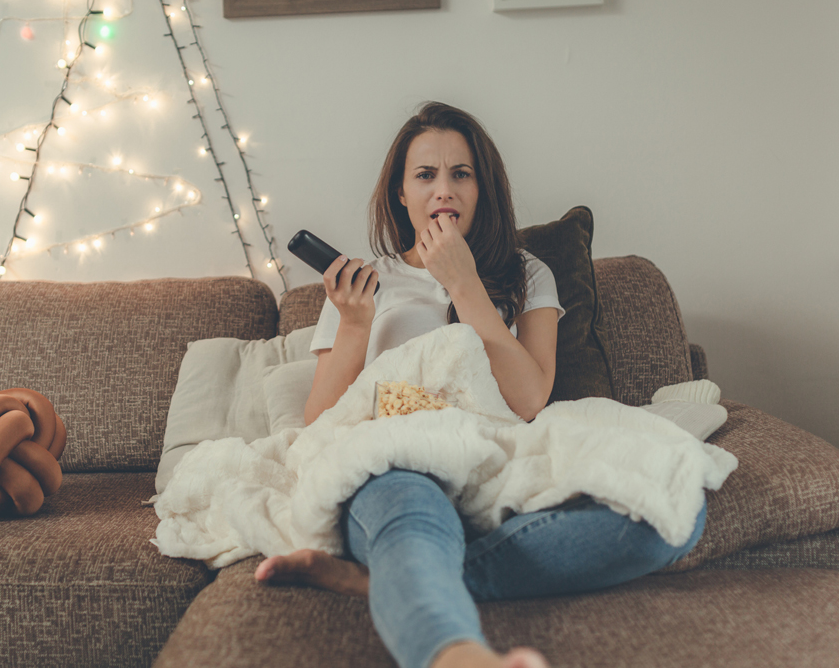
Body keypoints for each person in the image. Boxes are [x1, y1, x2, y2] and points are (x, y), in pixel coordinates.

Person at [254, 103, 707, 668]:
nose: (443, 190)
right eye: (425, 175)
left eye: (460, 174)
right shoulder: (366, 282)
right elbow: (321, 425)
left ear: (482, 187)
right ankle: (459, 655)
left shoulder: (527, 273)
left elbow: (527, 400)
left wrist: (465, 284)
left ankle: (389, 577)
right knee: (410, 500)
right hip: (392, 459)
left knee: (672, 511)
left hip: (494, 458)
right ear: (400, 192)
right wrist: (353, 323)